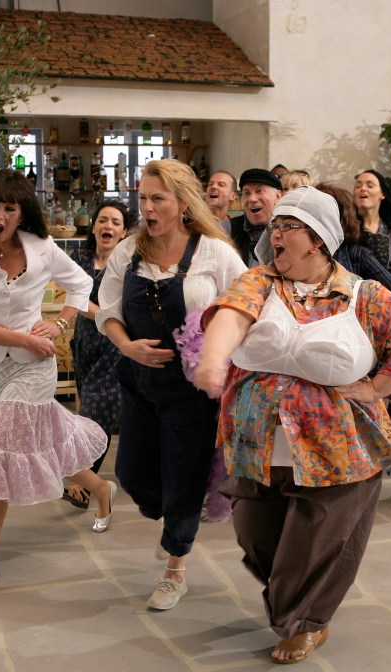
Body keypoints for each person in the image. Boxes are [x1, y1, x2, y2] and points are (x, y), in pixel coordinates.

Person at [192, 186, 391, 664]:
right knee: (255, 536)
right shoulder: (260, 281)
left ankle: (307, 622)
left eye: (288, 226)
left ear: (318, 240)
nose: (275, 232)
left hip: (338, 454)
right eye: (275, 226)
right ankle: (299, 604)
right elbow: (230, 315)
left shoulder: (363, 295)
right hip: (257, 448)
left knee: (314, 546)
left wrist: (377, 388)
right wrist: (213, 358)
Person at [0, 169, 116, 607]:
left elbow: (80, 285)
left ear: (22, 214)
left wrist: (58, 323)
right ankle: (100, 488)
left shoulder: (41, 247)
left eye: (9, 208)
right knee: (45, 442)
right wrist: (29, 339)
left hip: (35, 368)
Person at [97, 158, 246, 610]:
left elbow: (244, 308)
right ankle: (176, 521)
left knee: (184, 477)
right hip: (139, 382)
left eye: (157, 198)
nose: (148, 207)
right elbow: (106, 310)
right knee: (133, 475)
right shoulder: (129, 251)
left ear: (182, 203)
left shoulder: (215, 254)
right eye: (143, 198)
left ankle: (174, 567)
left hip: (192, 392)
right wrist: (129, 347)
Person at [60, 201, 133, 510]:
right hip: (85, 345)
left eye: (115, 222)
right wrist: (103, 314)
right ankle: (90, 482)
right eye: (103, 220)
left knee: (94, 411)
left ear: (124, 231)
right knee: (92, 413)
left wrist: (99, 314)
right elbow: (74, 298)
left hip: (114, 348)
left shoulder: (130, 263)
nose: (108, 226)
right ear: (93, 227)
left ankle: (85, 484)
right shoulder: (79, 258)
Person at [353, 168, 391, 270]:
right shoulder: (345, 229)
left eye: (370, 185)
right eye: (358, 186)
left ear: (382, 194)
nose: (363, 189)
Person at [230, 168, 283, 266]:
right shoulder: (227, 231)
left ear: (278, 196)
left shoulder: (289, 231)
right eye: (246, 193)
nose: (252, 199)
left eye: (259, 191)